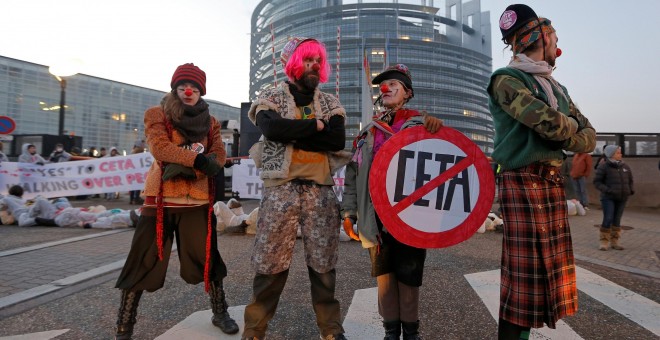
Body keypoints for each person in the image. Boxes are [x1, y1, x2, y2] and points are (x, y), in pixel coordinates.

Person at [489, 4, 596, 339]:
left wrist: (570, 133)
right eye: (554, 38)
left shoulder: (556, 87)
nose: (557, 47)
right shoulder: (505, 80)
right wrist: (570, 132)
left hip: (549, 181)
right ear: (540, 36)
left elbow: (589, 134)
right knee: (522, 281)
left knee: (545, 277)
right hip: (520, 179)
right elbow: (551, 125)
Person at [113, 63, 239, 339]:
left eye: (193, 87)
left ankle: (220, 311)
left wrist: (197, 165)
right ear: (175, 88)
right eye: (182, 86)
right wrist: (197, 160)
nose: (188, 91)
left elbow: (217, 155)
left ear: (201, 90)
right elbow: (159, 147)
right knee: (141, 260)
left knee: (208, 259)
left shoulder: (211, 121)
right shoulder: (157, 113)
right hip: (160, 200)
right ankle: (124, 324)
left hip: (196, 202)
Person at [242, 37, 350, 340]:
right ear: (292, 63)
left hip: (320, 190)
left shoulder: (330, 102)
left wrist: (292, 133)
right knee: (269, 264)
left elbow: (336, 140)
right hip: (281, 190)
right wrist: (316, 127)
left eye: (318, 60)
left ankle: (330, 330)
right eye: (307, 59)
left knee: (323, 264)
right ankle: (254, 331)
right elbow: (271, 129)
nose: (314, 65)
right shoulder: (271, 96)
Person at [342, 64, 442, 340]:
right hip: (377, 218)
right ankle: (390, 332)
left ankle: (410, 333)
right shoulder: (368, 134)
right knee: (385, 278)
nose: (385, 89)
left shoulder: (421, 125)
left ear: (407, 93)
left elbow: (442, 164)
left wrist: (437, 132)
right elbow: (353, 175)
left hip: (412, 217)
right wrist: (349, 211)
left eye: (393, 85)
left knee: (409, 278)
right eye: (382, 86)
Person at [593, 145, 634, 251]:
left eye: (620, 152)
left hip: (622, 197)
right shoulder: (603, 166)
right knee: (608, 219)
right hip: (608, 198)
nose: (620, 154)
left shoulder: (625, 166)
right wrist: (608, 190)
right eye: (618, 152)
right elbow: (597, 182)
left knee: (617, 220)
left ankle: (615, 242)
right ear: (611, 154)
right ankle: (604, 242)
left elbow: (630, 180)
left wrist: (630, 190)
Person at [129, 140, 145, 205]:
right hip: (137, 172)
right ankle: (136, 199)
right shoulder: (139, 152)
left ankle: (132, 199)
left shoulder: (132, 152)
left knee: (133, 187)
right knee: (137, 186)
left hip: (132, 172)